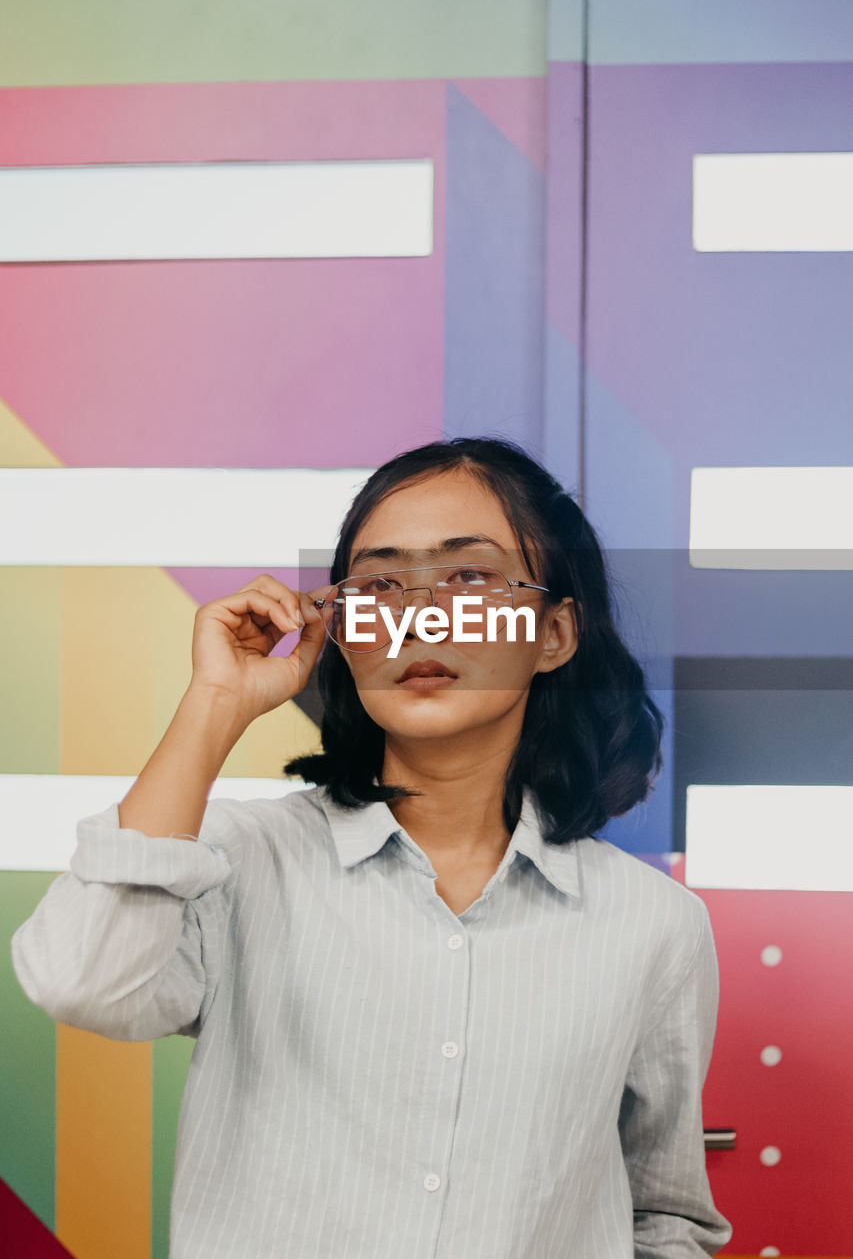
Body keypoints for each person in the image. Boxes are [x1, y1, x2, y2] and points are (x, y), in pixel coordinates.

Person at [11, 435, 733, 1257]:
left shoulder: (652, 925)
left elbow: (664, 1220)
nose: (421, 616)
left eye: (468, 576)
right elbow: (83, 982)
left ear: (553, 634)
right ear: (347, 635)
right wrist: (214, 703)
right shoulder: (233, 860)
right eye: (382, 584)